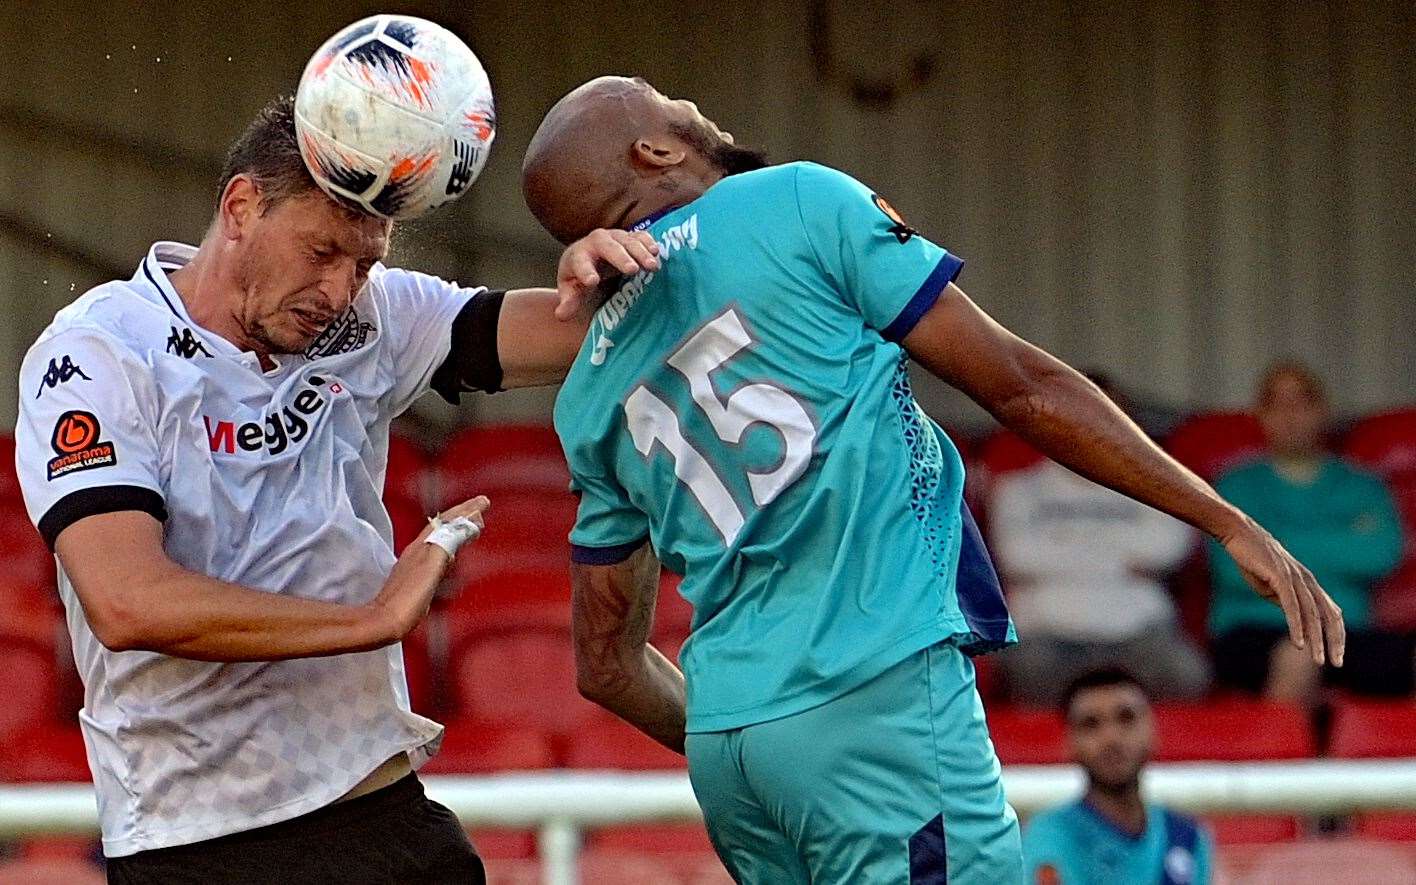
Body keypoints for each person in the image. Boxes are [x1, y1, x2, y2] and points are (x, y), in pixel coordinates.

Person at [520, 75, 1343, 884]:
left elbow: (606, 664)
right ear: (656, 147)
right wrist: (1223, 518)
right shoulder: (794, 202)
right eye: (669, 101)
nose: (693, 104)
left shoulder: (586, 390)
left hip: (732, 749)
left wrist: (770, 736)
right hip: (873, 701)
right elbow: (1025, 385)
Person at [13, 95, 658, 884]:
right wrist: (372, 618)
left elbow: (581, 331)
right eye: (321, 251)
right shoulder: (95, 354)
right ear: (242, 206)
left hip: (384, 816)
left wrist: (610, 272)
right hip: (201, 848)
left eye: (364, 262)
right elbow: (127, 602)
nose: (341, 289)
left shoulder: (370, 319)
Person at [990, 376, 1209, 706]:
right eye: (1080, 410)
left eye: (1107, 412)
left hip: (1140, 634)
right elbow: (1015, 557)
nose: (1092, 422)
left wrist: (1062, 548)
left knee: (1187, 674)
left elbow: (1169, 548)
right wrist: (1123, 556)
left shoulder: (1158, 485)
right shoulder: (1017, 490)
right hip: (1048, 635)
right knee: (1024, 674)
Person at [1210, 362, 1406, 704]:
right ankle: (1279, 755)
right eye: (1278, 405)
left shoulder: (1363, 485)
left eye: (1302, 403)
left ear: (1323, 411)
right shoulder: (1235, 485)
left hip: (1349, 629)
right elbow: (1231, 568)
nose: (1291, 416)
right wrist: (1342, 541)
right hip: (1254, 630)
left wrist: (1276, 545)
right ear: (1261, 414)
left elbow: (1383, 553)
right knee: (1297, 655)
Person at [1022, 668, 1214, 885]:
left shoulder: (1187, 837)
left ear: (1153, 730)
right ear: (1069, 742)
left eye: (1126, 718)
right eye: (1091, 724)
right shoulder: (1047, 837)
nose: (1111, 738)